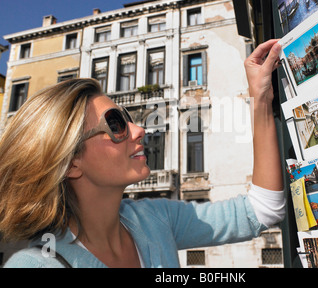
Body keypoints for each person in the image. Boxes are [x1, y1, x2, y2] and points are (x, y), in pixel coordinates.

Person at [0, 39, 285, 268]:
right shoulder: (35, 264)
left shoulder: (154, 218)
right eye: (115, 124)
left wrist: (260, 98)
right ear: (71, 161)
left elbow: (261, 210)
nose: (139, 131)